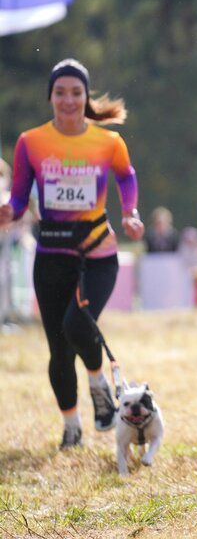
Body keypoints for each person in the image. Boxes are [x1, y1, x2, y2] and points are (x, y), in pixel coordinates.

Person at [0, 58, 145, 449]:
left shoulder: (108, 142)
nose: (68, 100)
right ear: (50, 96)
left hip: (97, 253)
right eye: (60, 92)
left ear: (86, 96)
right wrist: (9, 212)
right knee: (59, 351)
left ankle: (98, 383)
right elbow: (19, 196)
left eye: (76, 92)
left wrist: (129, 213)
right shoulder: (31, 142)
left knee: (78, 326)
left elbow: (126, 176)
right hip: (52, 255)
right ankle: (71, 428)